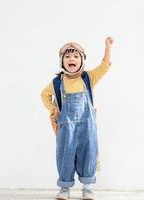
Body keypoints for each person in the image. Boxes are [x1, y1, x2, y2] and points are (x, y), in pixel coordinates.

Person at [41, 36, 113, 200]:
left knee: (88, 153)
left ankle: (87, 188)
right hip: (66, 128)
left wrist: (108, 47)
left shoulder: (88, 78)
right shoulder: (57, 82)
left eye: (75, 56)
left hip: (87, 127)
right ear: (62, 61)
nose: (71, 59)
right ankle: (64, 188)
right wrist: (53, 109)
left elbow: (104, 66)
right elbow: (44, 95)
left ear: (82, 61)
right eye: (67, 56)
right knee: (65, 155)